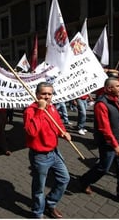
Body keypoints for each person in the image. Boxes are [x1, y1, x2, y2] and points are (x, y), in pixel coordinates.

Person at [79, 77, 119, 207]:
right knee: (103, 167)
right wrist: (115, 145)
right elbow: (104, 128)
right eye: (117, 86)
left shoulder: (116, 100)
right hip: (109, 143)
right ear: (109, 88)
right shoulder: (101, 104)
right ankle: (84, 181)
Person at [24, 82, 71, 218]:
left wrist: (63, 132)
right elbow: (31, 132)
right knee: (39, 188)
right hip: (40, 156)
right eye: (43, 94)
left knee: (64, 179)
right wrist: (40, 110)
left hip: (54, 152)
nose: (46, 97)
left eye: (49, 94)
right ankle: (37, 212)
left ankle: (50, 203)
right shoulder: (30, 111)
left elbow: (58, 124)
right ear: (37, 94)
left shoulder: (52, 108)